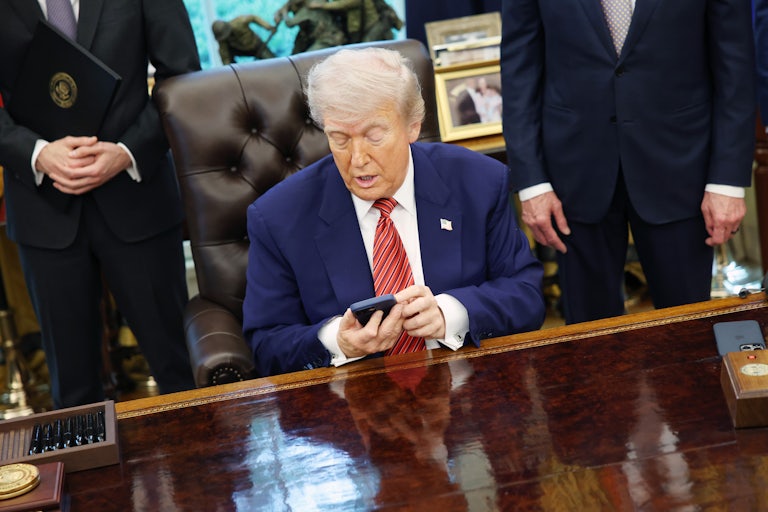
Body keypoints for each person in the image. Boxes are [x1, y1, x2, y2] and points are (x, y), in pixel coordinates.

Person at [243, 47, 545, 377]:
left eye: (374, 136)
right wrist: (338, 342)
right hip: (348, 407)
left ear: (412, 126)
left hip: (468, 394)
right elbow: (266, 344)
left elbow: (525, 296)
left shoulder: (479, 183)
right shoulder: (278, 217)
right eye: (340, 139)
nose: (357, 159)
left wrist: (450, 314)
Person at [501, 0, 756, 324]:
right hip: (573, 172)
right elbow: (518, 68)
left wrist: (727, 181)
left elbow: (736, 67)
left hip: (680, 165)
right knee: (588, 339)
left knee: (688, 334)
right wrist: (532, 183)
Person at [0, 0, 199, 408]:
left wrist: (127, 151)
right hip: (42, 208)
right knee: (73, 392)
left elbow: (179, 76)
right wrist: (36, 153)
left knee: (179, 367)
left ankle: (212, 469)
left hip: (137, 196)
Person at [212, 15, 276, 64]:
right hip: (240, 50)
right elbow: (225, 58)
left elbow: (253, 17)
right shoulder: (223, 41)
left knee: (274, 62)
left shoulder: (239, 22)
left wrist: (268, 27)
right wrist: (230, 71)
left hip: (256, 45)